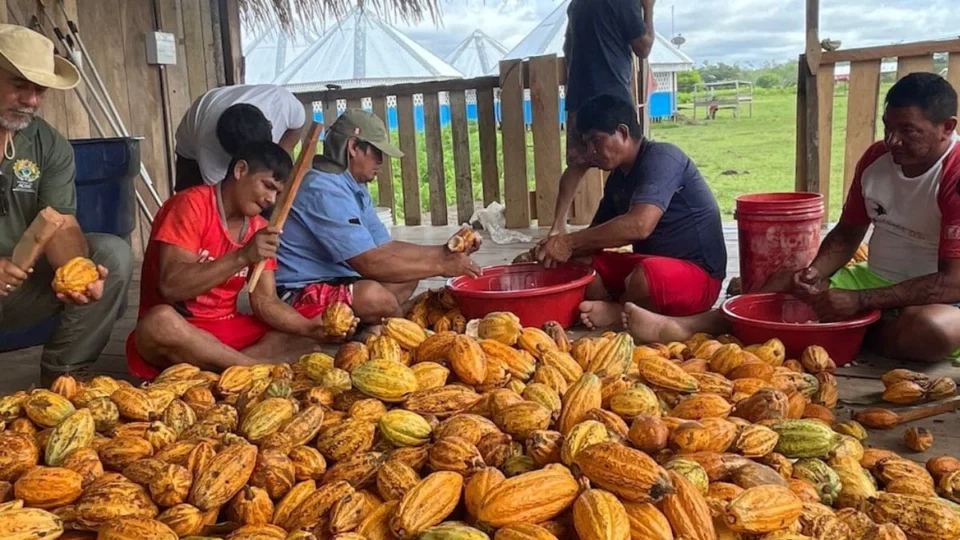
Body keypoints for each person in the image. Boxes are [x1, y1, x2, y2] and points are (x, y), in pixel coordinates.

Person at [624, 73, 960, 363]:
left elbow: (951, 282)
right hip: (874, 281)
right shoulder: (876, 160)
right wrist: (814, 273)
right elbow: (846, 234)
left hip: (943, 299)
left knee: (932, 330)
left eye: (908, 131)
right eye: (887, 127)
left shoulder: (954, 174)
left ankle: (836, 331)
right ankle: (687, 326)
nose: (892, 141)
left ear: (947, 127)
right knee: (784, 280)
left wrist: (861, 301)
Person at [127, 142, 355, 378]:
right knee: (159, 324)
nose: (271, 199)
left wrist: (310, 328)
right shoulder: (190, 206)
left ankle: (226, 370)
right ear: (240, 170)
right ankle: (251, 369)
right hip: (184, 328)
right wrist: (242, 256)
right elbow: (171, 286)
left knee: (304, 332)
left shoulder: (260, 227)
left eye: (277, 193)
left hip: (226, 329)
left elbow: (266, 301)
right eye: (267, 186)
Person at [0, 24, 133, 384]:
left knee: (110, 254)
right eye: (19, 84)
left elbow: (60, 222)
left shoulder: (46, 143)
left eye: (39, 89)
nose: (31, 100)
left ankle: (66, 378)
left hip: (16, 289)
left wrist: (76, 272)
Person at [531, 94, 726, 328]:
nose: (591, 151)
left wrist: (568, 242)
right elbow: (593, 238)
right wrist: (546, 251)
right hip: (646, 267)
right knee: (581, 263)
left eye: (596, 141)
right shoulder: (618, 178)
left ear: (623, 132)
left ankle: (617, 311)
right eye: (587, 144)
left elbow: (639, 225)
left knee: (648, 275)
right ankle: (619, 305)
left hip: (698, 278)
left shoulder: (663, 158)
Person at [275, 109, 481, 326]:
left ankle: (378, 321)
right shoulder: (323, 189)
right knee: (373, 297)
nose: (381, 161)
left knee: (408, 275)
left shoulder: (352, 184)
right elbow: (369, 263)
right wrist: (439, 266)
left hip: (336, 278)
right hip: (300, 290)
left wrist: (444, 252)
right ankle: (393, 326)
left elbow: (385, 246)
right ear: (354, 147)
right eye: (376, 152)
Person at [548, 0, 655, 237]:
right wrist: (649, 8)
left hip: (580, 96)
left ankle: (557, 226)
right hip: (611, 96)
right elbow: (643, 47)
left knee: (578, 163)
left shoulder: (577, 4)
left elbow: (567, 48)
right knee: (627, 160)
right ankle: (628, 223)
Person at [174, 84, 306, 191]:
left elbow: (297, 126)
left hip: (218, 104)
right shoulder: (211, 153)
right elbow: (221, 202)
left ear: (269, 124)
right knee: (190, 198)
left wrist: (281, 155)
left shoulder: (282, 103)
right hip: (191, 148)